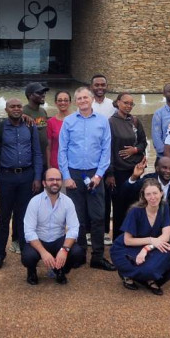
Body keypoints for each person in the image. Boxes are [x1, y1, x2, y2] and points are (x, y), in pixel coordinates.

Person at [58, 86, 116, 271]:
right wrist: (66, 176)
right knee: (78, 216)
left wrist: (99, 175)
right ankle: (80, 252)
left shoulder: (102, 121)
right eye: (79, 98)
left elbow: (106, 150)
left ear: (91, 99)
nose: (83, 101)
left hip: (94, 173)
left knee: (98, 216)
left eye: (85, 97)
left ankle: (97, 256)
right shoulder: (68, 121)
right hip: (74, 174)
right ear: (76, 102)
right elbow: (62, 151)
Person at [0, 98, 43, 270]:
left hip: (26, 176)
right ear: (6, 109)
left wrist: (37, 177)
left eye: (19, 106)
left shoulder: (30, 126)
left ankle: (26, 250)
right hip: (6, 178)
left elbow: (37, 153)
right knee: (4, 217)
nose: (16, 109)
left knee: (24, 217)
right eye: (12, 106)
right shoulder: (0, 128)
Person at [110, 179, 170, 295]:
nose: (152, 197)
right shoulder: (135, 211)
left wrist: (146, 248)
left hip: (150, 246)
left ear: (161, 193)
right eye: (148, 194)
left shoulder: (164, 207)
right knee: (143, 265)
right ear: (143, 196)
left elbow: (166, 236)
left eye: (155, 193)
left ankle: (148, 277)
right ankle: (127, 274)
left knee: (168, 253)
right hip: (128, 247)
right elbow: (127, 240)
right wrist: (151, 240)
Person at [21, 168, 84, 285]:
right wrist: (43, 252)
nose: (55, 182)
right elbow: (29, 232)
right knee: (27, 257)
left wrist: (64, 250)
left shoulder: (68, 202)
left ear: (62, 182)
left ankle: (60, 270)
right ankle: (31, 271)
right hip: (39, 240)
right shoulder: (34, 202)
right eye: (51, 179)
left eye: (58, 179)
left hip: (58, 240)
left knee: (77, 253)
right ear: (44, 183)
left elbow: (74, 228)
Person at [107, 93, 147, 240]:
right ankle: (118, 238)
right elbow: (108, 149)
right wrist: (110, 173)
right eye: (125, 103)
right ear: (118, 103)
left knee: (135, 204)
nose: (128, 106)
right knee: (119, 206)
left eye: (131, 104)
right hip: (118, 171)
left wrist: (135, 150)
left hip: (135, 170)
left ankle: (133, 236)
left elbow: (143, 142)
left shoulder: (135, 121)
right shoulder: (110, 122)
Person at [125, 157, 170, 244]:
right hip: (147, 222)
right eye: (164, 168)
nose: (168, 171)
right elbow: (126, 193)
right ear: (157, 168)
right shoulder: (148, 180)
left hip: (169, 224)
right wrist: (134, 176)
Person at [23, 82, 50, 168]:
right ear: (30, 95)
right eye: (39, 93)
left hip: (44, 158)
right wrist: (21, 116)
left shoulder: (42, 111)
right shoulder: (23, 112)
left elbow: (43, 129)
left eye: (44, 93)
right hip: (31, 160)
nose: (43, 95)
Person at [151, 83, 170, 157]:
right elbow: (156, 136)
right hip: (164, 158)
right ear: (164, 94)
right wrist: (166, 154)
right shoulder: (159, 114)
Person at [46, 90, 72, 170]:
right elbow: (48, 147)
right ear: (55, 103)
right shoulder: (51, 122)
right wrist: (49, 167)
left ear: (70, 102)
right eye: (60, 100)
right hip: (56, 164)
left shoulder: (76, 120)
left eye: (66, 100)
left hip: (73, 164)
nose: (63, 103)